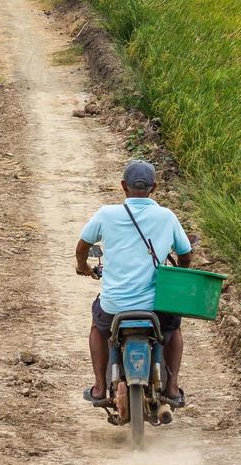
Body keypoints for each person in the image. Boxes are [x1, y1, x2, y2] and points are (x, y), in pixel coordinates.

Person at [75, 160, 192, 414]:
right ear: (154, 187)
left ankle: (98, 387)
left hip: (114, 305)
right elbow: (185, 253)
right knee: (173, 329)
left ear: (122, 187)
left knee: (98, 327)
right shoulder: (167, 216)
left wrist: (82, 265)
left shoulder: (106, 214)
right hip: (156, 306)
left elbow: (82, 245)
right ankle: (172, 387)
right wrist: (181, 271)